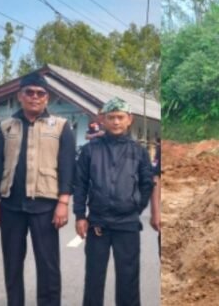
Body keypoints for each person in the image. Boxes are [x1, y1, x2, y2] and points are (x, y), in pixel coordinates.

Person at [0, 71, 76, 306]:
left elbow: (67, 168)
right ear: (20, 96)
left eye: (40, 93)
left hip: (45, 207)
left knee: (48, 266)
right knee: (12, 264)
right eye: (30, 92)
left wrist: (63, 203)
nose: (35, 97)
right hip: (10, 206)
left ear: (47, 98)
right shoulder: (7, 127)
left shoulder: (61, 127)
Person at [74, 98, 154, 306]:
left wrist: (136, 206)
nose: (116, 122)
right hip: (98, 222)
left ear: (129, 119)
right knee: (94, 277)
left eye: (120, 117)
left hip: (127, 223)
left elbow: (146, 183)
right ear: (103, 119)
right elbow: (80, 184)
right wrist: (80, 215)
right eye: (111, 117)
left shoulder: (138, 151)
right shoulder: (90, 150)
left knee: (128, 278)